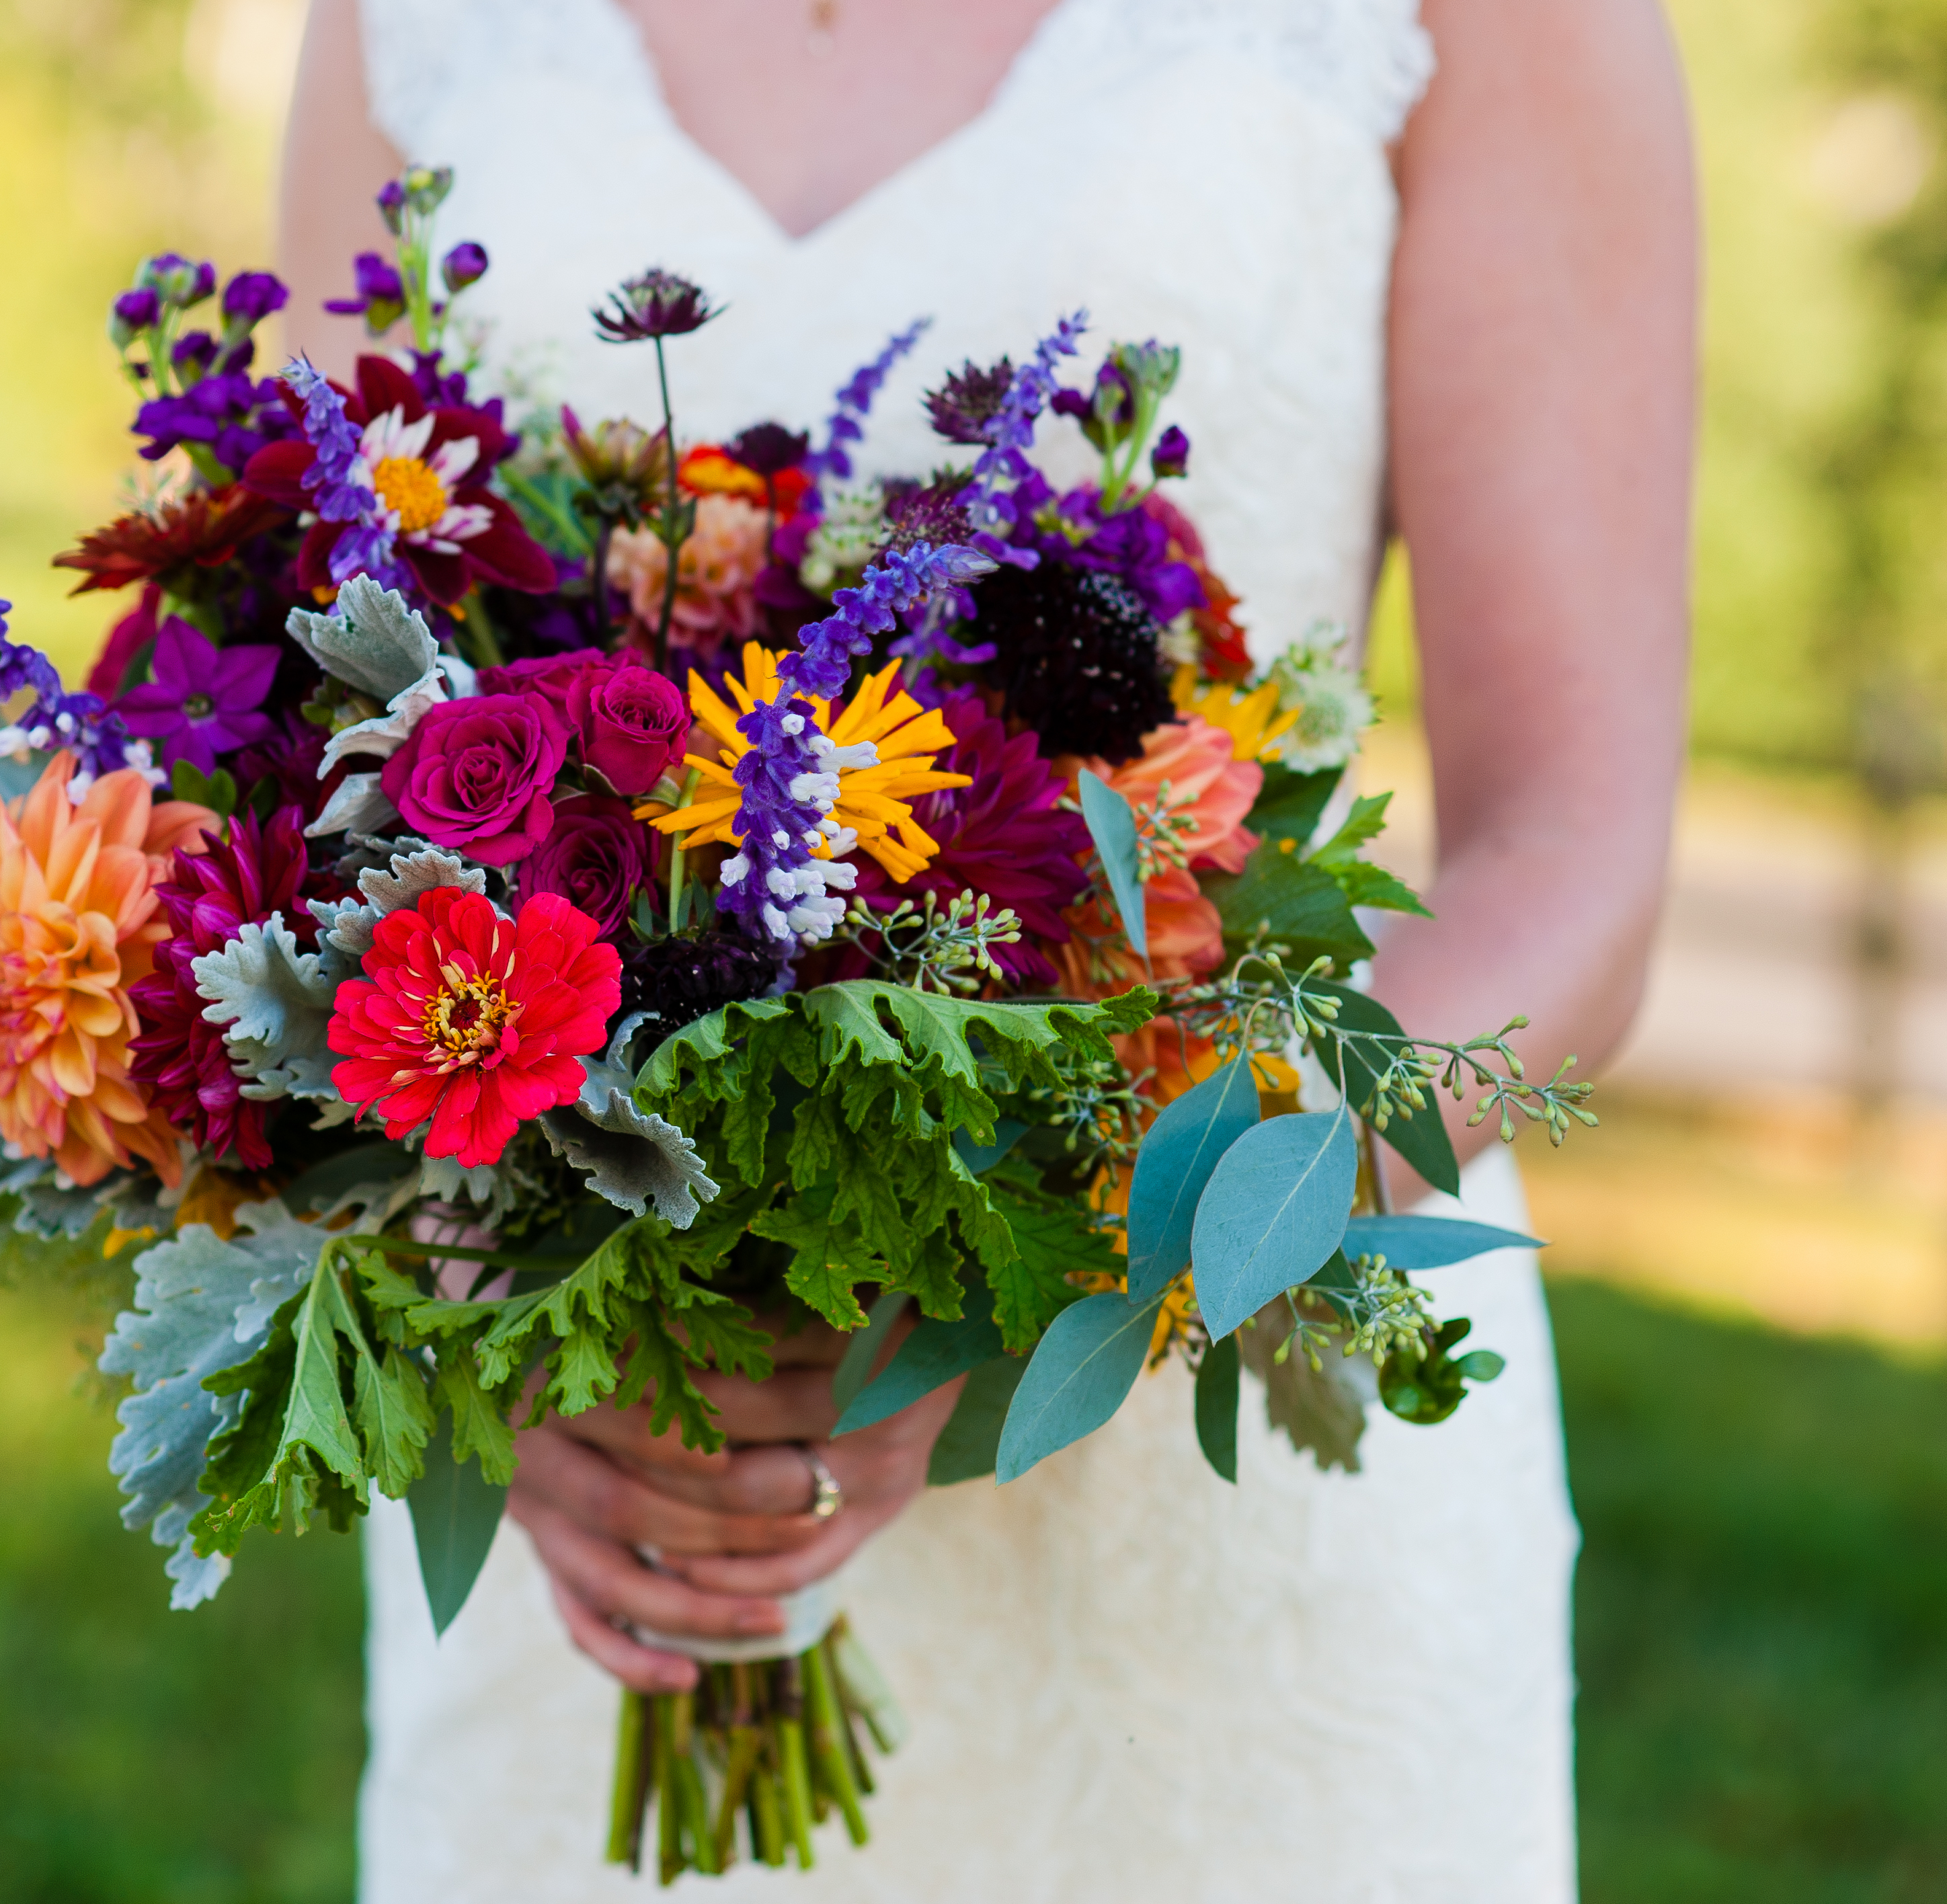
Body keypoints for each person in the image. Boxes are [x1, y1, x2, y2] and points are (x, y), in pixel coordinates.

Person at [278, 0, 1694, 1895]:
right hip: (597, 1544)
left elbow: (1573, 871)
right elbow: (313, 760)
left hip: (1216, 1581)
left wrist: (1052, 1267)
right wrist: (484, 1282)